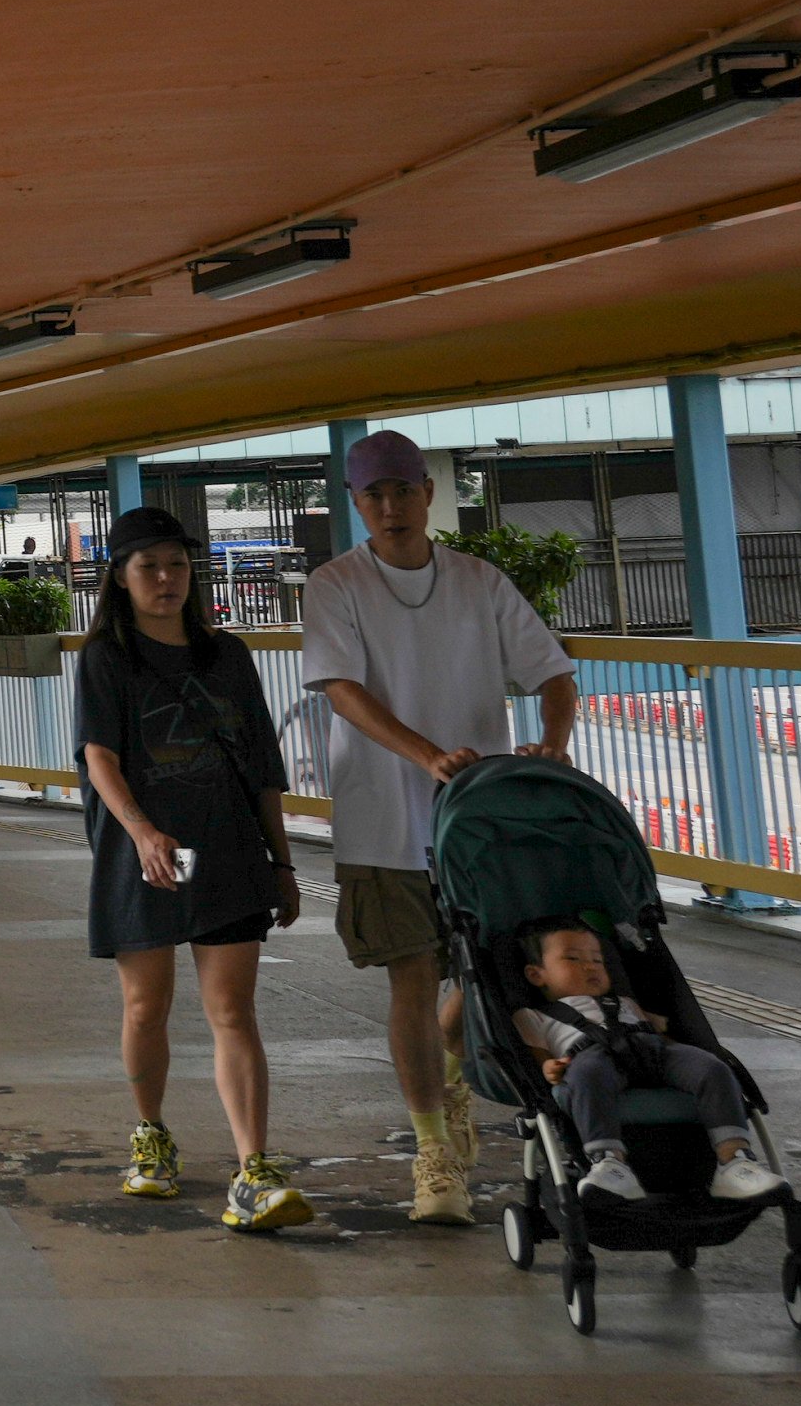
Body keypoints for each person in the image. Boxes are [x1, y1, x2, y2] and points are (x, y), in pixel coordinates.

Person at [301, 428, 578, 1226]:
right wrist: (424, 754)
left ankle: (452, 1072)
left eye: (403, 491)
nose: (391, 508)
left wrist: (551, 745)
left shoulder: (479, 582)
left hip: (480, 816)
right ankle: (433, 1155)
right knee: (413, 980)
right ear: (356, 506)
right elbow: (341, 688)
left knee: (489, 972)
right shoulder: (335, 584)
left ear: (428, 493)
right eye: (373, 496)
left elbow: (554, 672)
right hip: (383, 817)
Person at [75, 505, 312, 1232]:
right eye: (148, 566)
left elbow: (264, 769)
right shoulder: (107, 658)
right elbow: (100, 757)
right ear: (120, 576)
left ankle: (254, 1170)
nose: (166, 578)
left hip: (227, 847)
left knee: (232, 1011)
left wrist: (281, 859)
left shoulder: (226, 656)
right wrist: (144, 832)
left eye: (177, 564)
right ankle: (151, 1138)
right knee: (147, 1005)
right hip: (153, 849)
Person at [515, 923, 784, 1205]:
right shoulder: (534, 1015)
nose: (590, 966)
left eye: (597, 960)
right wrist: (550, 1069)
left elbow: (661, 1033)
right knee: (587, 1073)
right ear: (536, 974)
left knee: (713, 1068)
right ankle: (609, 1163)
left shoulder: (625, 1002)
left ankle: (734, 1161)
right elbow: (539, 1060)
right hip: (591, 1057)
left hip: (653, 1050)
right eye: (573, 958)